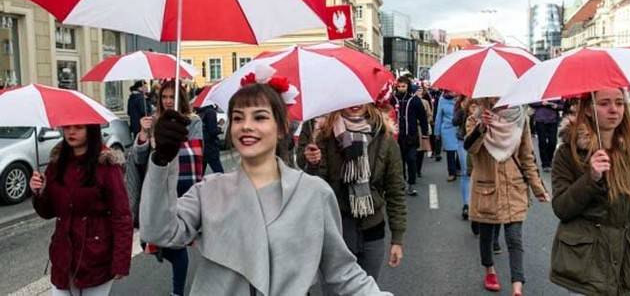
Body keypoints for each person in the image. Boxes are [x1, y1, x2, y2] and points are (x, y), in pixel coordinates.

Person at [139, 80, 391, 295]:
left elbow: (342, 270)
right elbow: (159, 232)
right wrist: (162, 159)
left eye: (259, 117)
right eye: (238, 118)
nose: (246, 125)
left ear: (281, 128)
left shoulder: (313, 193)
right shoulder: (210, 190)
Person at [550, 89, 630, 295]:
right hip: (584, 261)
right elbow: (562, 208)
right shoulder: (568, 152)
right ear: (589, 109)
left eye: (619, 103)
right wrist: (590, 179)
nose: (614, 110)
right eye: (604, 103)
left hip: (626, 257)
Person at [298, 103, 406, 281]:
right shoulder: (324, 135)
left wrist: (397, 239)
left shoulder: (384, 137)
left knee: (367, 291)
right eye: (350, 100)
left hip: (373, 232)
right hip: (337, 232)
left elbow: (396, 191)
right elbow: (316, 189)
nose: (355, 104)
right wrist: (313, 164)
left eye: (360, 99)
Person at [30, 124, 132, 295]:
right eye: (67, 127)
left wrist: (120, 261)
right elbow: (48, 213)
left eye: (78, 127)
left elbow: (121, 217)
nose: (71, 132)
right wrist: (40, 193)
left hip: (96, 258)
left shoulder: (107, 166)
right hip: (63, 258)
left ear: (91, 130)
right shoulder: (57, 164)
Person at [464, 97, 550, 296]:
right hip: (487, 187)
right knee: (486, 236)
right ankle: (489, 270)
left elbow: (527, 157)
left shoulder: (520, 118)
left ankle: (517, 286)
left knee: (514, 239)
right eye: (493, 94)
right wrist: (481, 127)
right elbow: (470, 148)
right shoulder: (476, 117)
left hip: (514, 186)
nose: (498, 97)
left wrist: (538, 188)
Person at [132, 80, 203, 296]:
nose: (168, 100)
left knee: (177, 244)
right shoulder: (153, 121)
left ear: (180, 98)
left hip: (182, 184)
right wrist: (144, 136)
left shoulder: (193, 121)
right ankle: (164, 251)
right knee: (151, 237)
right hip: (156, 184)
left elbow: (196, 154)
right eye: (164, 97)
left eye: (172, 96)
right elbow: (139, 158)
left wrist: (167, 146)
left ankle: (177, 291)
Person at [390, 76, 429, 196]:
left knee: (411, 159)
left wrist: (425, 133)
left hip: (411, 136)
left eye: (404, 86)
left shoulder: (414, 100)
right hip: (397, 137)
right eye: (399, 86)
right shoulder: (393, 99)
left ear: (408, 86)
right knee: (399, 162)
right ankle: (401, 183)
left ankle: (411, 183)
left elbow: (422, 117)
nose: (401, 89)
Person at [529, 100, 563, 172]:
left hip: (553, 120)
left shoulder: (555, 92)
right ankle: (545, 164)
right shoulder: (538, 91)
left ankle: (549, 159)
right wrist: (541, 103)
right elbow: (531, 102)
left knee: (553, 142)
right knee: (542, 142)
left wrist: (557, 106)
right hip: (540, 119)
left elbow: (562, 105)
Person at [435, 90, 461, 182]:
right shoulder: (442, 100)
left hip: (459, 128)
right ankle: (451, 173)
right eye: (449, 92)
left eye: (452, 91)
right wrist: (437, 132)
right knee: (450, 152)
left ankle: (458, 168)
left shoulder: (460, 99)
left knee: (460, 150)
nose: (452, 93)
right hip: (447, 129)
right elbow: (439, 116)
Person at [452, 95, 470, 220]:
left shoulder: (484, 100)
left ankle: (477, 203)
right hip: (463, 140)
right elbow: (454, 121)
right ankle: (466, 204)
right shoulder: (460, 103)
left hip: (481, 141)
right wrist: (463, 110)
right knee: (466, 172)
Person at [196, 103, 224, 174]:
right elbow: (212, 131)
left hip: (201, 145)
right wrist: (220, 128)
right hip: (210, 146)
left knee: (200, 174)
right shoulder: (211, 112)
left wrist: (216, 124)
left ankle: (199, 185)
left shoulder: (199, 112)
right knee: (219, 173)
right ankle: (224, 185)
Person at [415, 87, 433, 177]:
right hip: (413, 128)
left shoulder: (425, 102)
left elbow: (430, 115)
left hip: (421, 128)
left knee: (420, 150)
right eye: (417, 90)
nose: (419, 92)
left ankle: (418, 169)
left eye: (420, 90)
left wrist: (425, 121)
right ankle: (413, 169)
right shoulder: (411, 102)